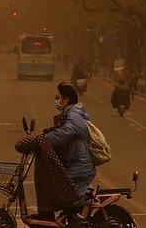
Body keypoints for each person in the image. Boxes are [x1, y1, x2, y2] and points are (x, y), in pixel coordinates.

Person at [45, 83, 95, 223]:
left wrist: (46, 138)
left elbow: (68, 131)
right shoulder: (71, 113)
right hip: (74, 162)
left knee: (69, 200)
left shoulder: (74, 114)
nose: (56, 100)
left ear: (66, 99)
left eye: (57, 97)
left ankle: (82, 214)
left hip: (79, 166)